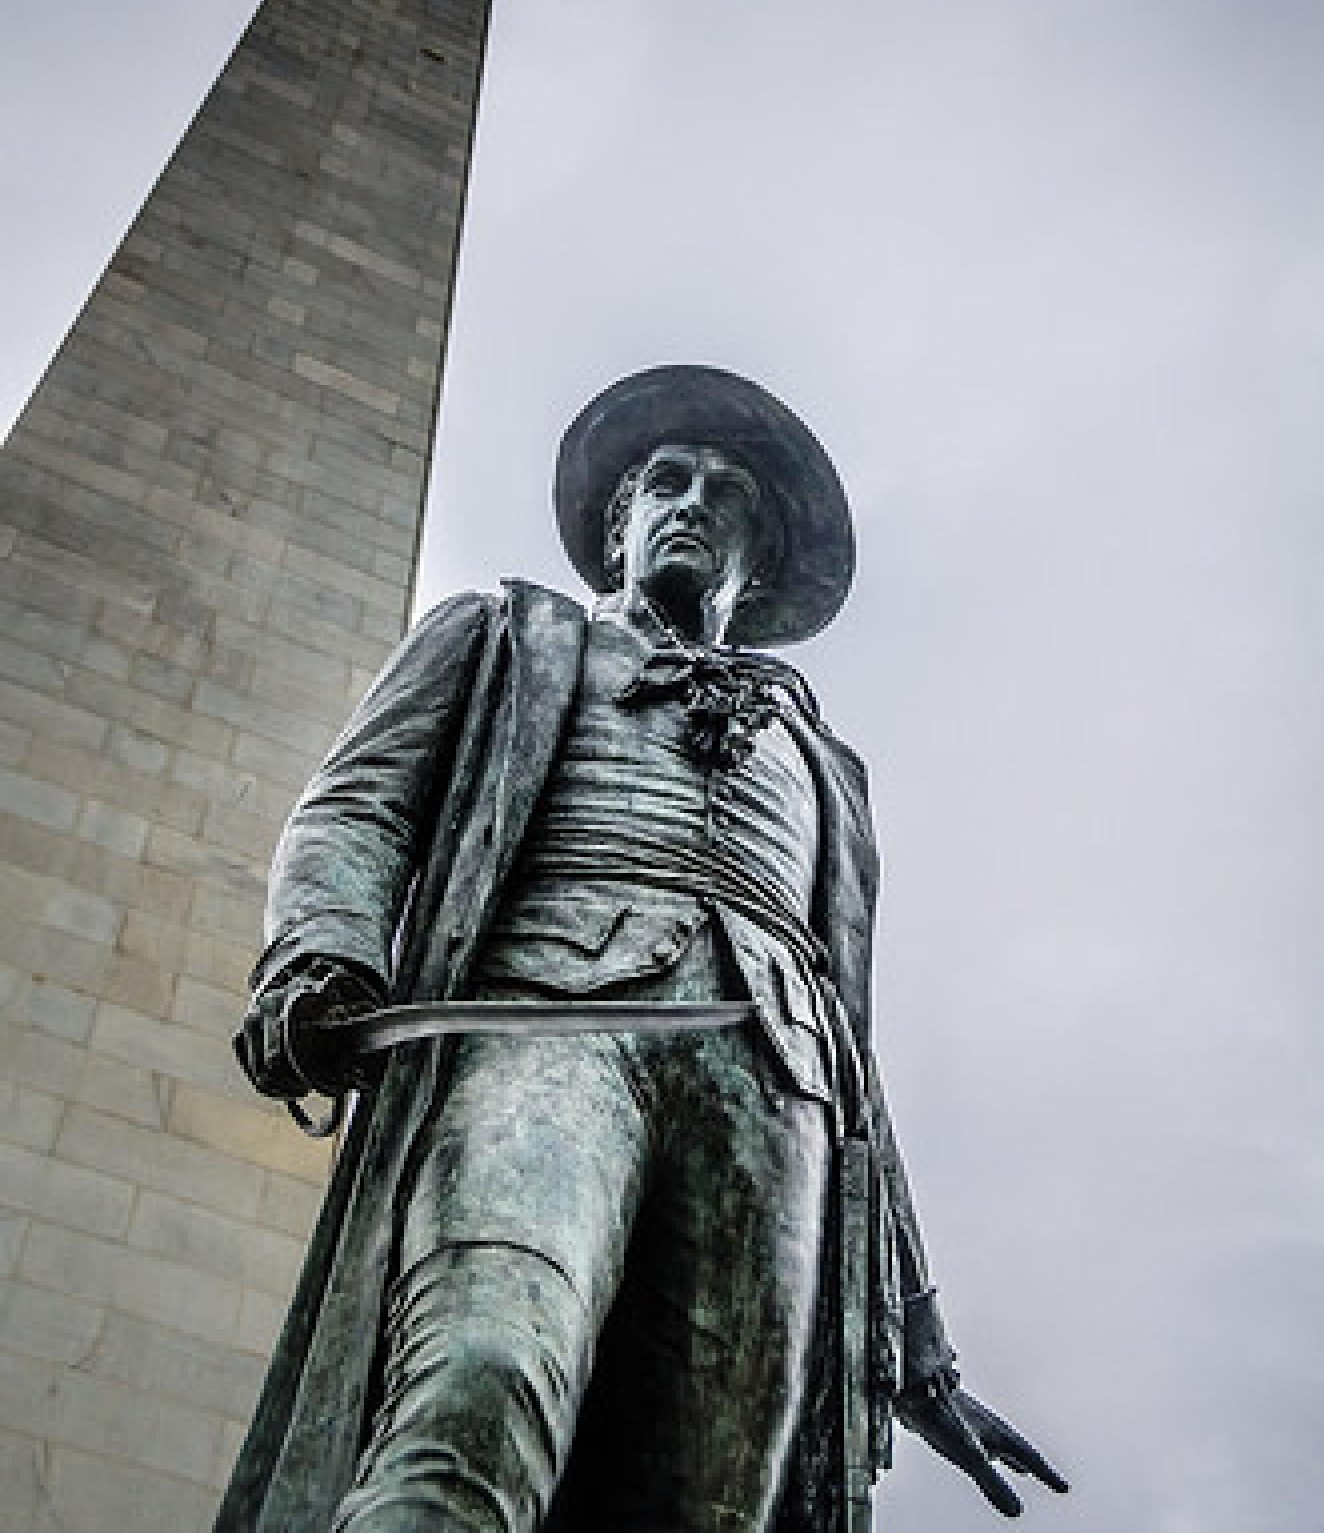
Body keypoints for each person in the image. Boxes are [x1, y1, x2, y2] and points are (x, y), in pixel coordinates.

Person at [220, 365, 1066, 1533]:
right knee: (477, 1380)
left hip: (778, 1096)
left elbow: (854, 1051)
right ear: (617, 525)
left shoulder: (825, 766)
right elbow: (358, 805)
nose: (692, 502)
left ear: (754, 563)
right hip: (539, 1031)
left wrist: (913, 1329)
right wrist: (319, 950)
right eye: (666, 481)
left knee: (713, 1504)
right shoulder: (505, 632)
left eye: (727, 494)